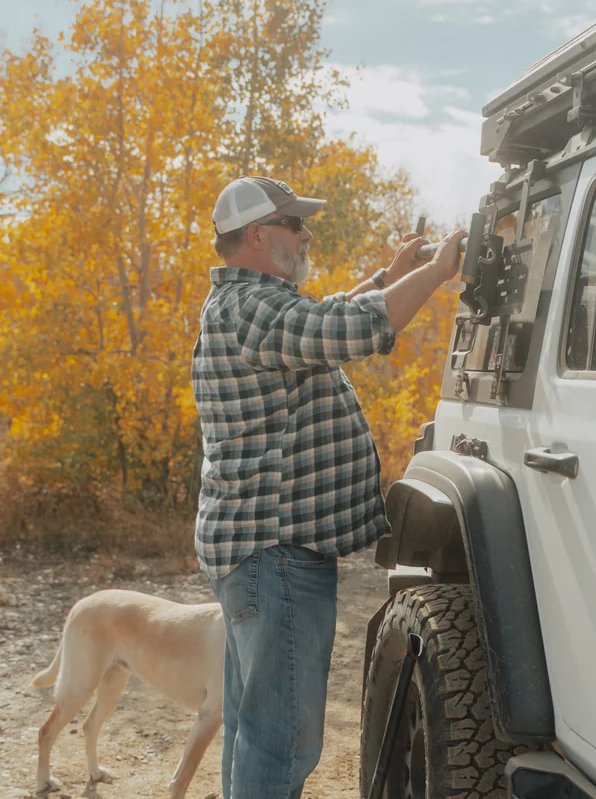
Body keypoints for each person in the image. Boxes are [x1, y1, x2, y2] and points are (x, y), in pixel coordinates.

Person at [190, 176, 467, 799]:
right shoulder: (251, 307)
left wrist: (389, 276)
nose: (305, 234)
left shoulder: (246, 305)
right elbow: (342, 329)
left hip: (260, 555)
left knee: (255, 731)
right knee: (279, 743)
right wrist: (434, 273)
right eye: (294, 224)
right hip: (276, 558)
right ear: (257, 235)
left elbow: (319, 323)